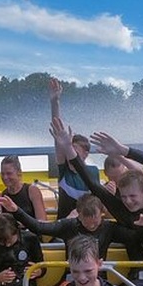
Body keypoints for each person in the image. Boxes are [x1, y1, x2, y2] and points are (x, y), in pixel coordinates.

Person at [51, 117, 143, 286]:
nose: (128, 201)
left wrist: (123, 151)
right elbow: (92, 184)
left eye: (132, 196)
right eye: (123, 197)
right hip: (139, 279)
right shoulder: (121, 210)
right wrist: (68, 148)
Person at [0, 192, 143, 260]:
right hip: (72, 278)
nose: (92, 225)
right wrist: (16, 211)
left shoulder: (108, 228)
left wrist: (142, 227)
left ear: (102, 214)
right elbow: (39, 227)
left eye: (95, 220)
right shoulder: (69, 226)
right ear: (78, 214)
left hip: (99, 278)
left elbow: (134, 239)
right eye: (87, 220)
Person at [49, 77, 101, 218]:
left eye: (74, 151)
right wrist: (55, 102)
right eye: (68, 150)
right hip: (65, 227)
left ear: (85, 154)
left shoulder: (93, 172)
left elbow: (96, 201)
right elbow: (57, 129)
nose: (70, 154)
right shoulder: (64, 169)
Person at [0, 154, 47, 221]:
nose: (5, 177)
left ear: (19, 173)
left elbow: (42, 220)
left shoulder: (32, 191)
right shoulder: (1, 196)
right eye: (2, 174)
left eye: (9, 173)